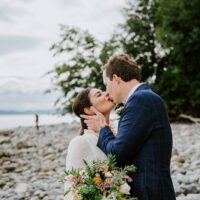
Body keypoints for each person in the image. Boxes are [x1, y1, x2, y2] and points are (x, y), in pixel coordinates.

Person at [81, 54, 176, 200]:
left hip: (151, 193)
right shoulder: (144, 98)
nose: (107, 90)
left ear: (116, 79)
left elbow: (118, 154)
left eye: (106, 84)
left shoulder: (140, 100)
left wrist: (103, 128)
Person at [64, 88, 115, 199]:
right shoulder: (80, 142)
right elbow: (74, 190)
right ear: (88, 110)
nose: (107, 93)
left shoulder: (120, 135)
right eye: (99, 95)